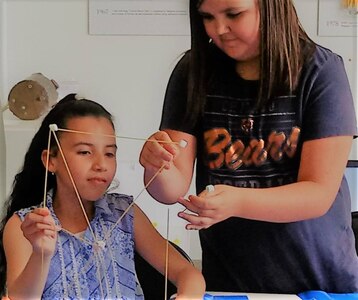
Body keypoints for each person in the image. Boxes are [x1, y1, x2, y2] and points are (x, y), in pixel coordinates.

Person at [139, 0, 358, 294]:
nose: (219, 29)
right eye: (207, 17)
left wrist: (238, 202)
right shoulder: (193, 71)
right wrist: (157, 164)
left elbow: (318, 194)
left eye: (233, 14)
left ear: (271, 7)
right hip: (230, 278)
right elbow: (170, 190)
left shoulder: (320, 71)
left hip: (317, 277)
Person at [0, 94, 205, 299]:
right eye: (85, 152)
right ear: (50, 160)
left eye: (109, 154)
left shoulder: (124, 214)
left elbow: (189, 274)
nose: (101, 165)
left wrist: (188, 295)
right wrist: (41, 254)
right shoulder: (24, 225)